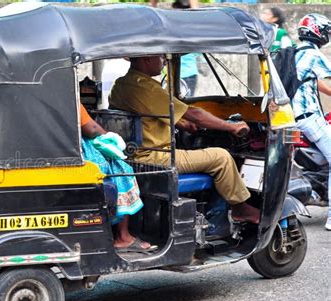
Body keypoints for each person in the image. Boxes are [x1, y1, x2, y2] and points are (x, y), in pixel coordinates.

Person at [109, 55, 260, 224]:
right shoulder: (145, 87)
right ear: (147, 59)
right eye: (161, 57)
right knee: (222, 157)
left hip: (134, 156)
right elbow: (195, 114)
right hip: (154, 158)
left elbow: (150, 115)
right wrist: (232, 127)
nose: (164, 61)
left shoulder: (122, 84)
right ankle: (240, 208)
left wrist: (182, 124)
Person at [80, 105, 157, 252]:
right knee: (122, 169)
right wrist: (111, 136)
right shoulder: (69, 95)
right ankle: (123, 237)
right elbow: (92, 129)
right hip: (79, 152)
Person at [291, 14, 331, 231]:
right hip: (308, 117)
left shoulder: (296, 53)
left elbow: (318, 83)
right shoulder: (314, 55)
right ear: (319, 32)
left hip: (292, 118)